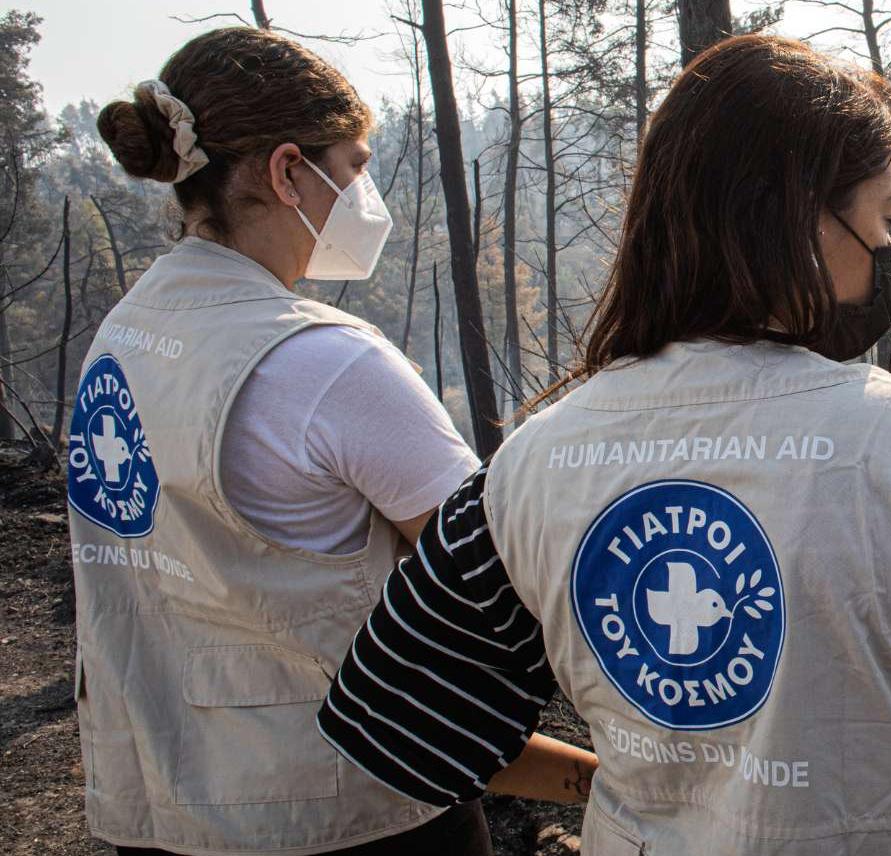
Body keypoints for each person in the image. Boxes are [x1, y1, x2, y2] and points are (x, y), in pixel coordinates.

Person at [318, 33, 891, 854]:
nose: (890, 253)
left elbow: (397, 727)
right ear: (797, 217)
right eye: (886, 218)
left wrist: (653, 771)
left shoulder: (525, 467)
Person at [76, 26, 594, 856]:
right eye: (353, 166)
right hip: (346, 814)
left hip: (163, 803)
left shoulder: (123, 340)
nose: (365, 193)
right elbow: (500, 592)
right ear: (288, 171)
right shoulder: (325, 363)